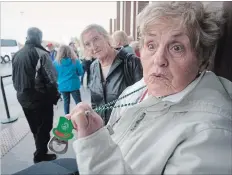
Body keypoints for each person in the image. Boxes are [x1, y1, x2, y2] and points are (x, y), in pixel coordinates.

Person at [12, 2, 232, 175]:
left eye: (177, 47)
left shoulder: (210, 134)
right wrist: (97, 131)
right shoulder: (141, 85)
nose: (159, 60)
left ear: (202, 59)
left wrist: (95, 146)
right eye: (151, 44)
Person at [12, 27, 59, 163]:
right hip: (39, 97)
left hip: (22, 96)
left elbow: (15, 78)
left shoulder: (17, 54)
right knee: (44, 126)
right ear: (39, 37)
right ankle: (40, 155)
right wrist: (54, 95)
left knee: (35, 126)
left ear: (27, 37)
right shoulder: (41, 54)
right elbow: (52, 78)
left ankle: (40, 149)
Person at [80, 24, 143, 125]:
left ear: (106, 37)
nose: (93, 46)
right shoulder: (93, 67)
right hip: (103, 131)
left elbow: (143, 101)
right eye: (87, 44)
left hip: (126, 130)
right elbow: (96, 104)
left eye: (96, 39)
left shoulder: (132, 62)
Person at [53, 45, 84, 115]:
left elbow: (54, 75)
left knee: (66, 102)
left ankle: (67, 118)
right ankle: (81, 116)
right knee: (78, 102)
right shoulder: (75, 61)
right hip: (74, 85)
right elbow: (81, 72)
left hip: (62, 85)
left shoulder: (55, 63)